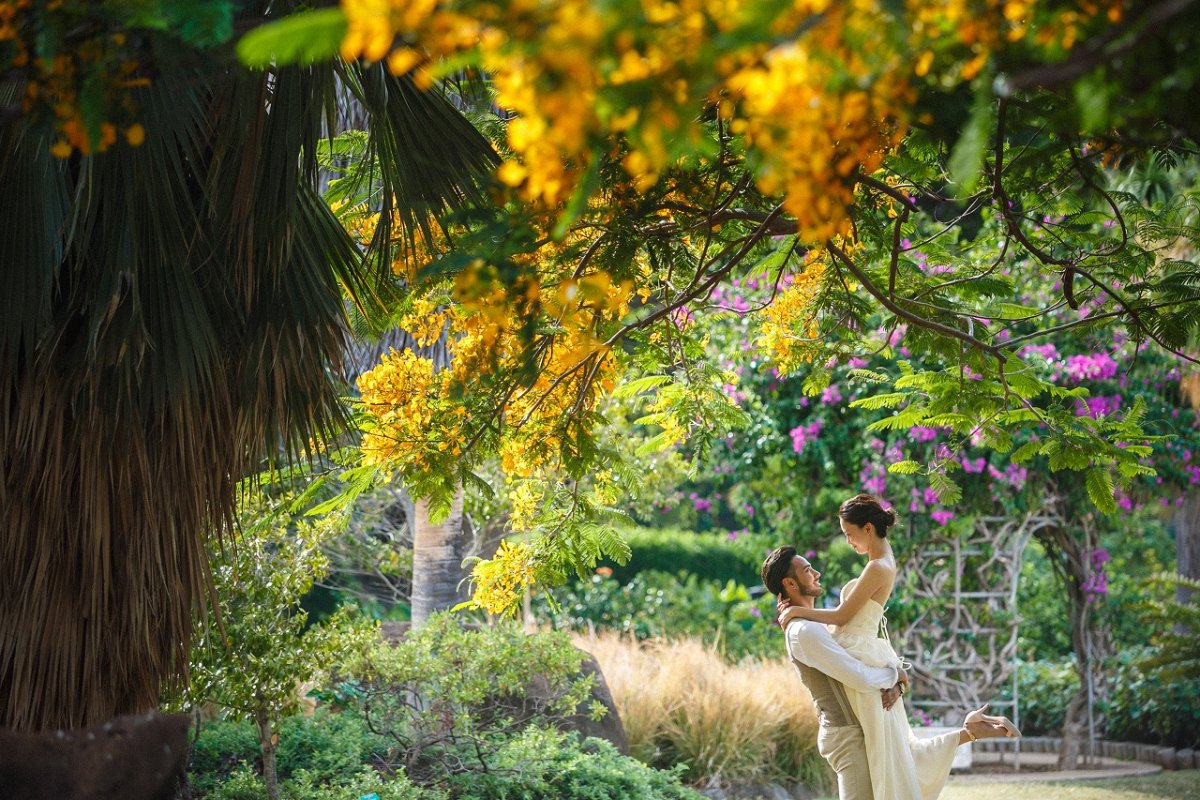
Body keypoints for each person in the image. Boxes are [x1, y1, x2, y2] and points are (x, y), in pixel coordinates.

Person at [772, 495, 1019, 800]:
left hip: (867, 664)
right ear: (790, 585)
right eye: (808, 570)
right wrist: (894, 675)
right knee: (898, 753)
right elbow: (844, 646)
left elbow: (843, 617)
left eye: (849, 534)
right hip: (864, 674)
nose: (848, 542)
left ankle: (969, 731)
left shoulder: (876, 568)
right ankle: (969, 731)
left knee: (896, 755)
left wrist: (798, 610)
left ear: (867, 528)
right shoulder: (806, 629)